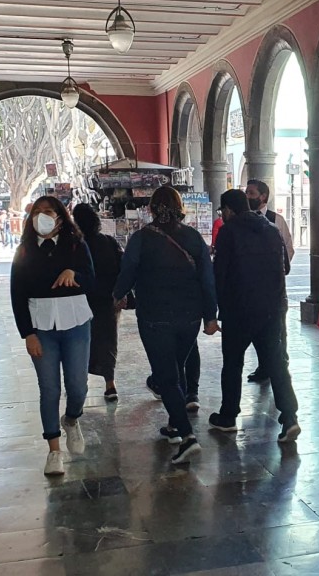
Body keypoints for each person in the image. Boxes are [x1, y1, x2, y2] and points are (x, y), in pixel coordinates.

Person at [113, 187, 219, 464]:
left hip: (155, 317)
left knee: (166, 377)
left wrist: (117, 295)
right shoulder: (194, 237)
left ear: (151, 209)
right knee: (176, 369)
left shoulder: (141, 239)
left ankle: (186, 437)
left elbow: (128, 272)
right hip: (190, 318)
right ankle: (174, 425)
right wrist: (210, 316)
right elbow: (208, 281)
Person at [10, 196, 96, 476]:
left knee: (78, 385)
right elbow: (17, 295)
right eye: (37, 212)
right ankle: (54, 449)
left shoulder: (75, 243)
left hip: (75, 322)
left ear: (60, 216)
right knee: (49, 388)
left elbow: (92, 278)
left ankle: (72, 419)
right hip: (41, 325)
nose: (42, 217)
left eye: (48, 212)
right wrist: (28, 334)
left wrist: (75, 273)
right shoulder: (24, 251)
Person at [209, 189, 300, 443]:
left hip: (239, 311)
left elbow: (220, 274)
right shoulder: (271, 229)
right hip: (271, 310)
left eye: (222, 211)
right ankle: (290, 416)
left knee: (233, 364)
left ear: (228, 209)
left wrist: (214, 310)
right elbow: (286, 267)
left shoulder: (229, 232)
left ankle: (228, 416)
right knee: (276, 364)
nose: (222, 215)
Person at [72, 203, 124, 401]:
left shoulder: (73, 245)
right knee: (108, 340)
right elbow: (122, 267)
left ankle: (79, 383)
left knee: (80, 341)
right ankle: (110, 384)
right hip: (106, 300)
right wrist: (121, 293)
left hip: (79, 300)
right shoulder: (108, 241)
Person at [244, 179, 294, 384]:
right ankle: (263, 366)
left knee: (278, 330)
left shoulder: (276, 220)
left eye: (251, 193)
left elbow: (288, 249)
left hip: (273, 288)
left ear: (263, 196)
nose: (247, 196)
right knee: (257, 330)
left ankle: (280, 366)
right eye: (247, 193)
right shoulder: (243, 220)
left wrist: (277, 272)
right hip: (250, 287)